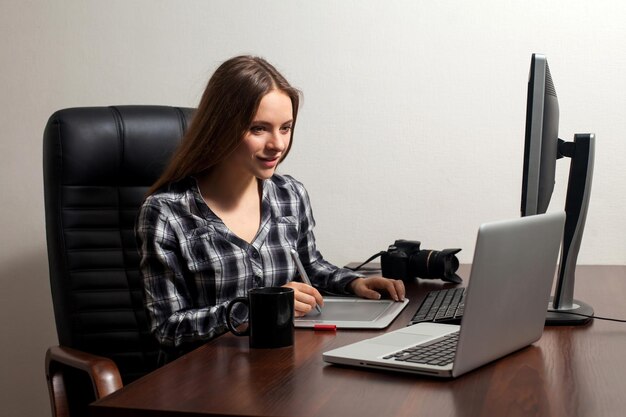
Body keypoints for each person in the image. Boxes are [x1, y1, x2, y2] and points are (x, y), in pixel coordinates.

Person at [136, 55, 405, 360]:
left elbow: (310, 267)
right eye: (259, 129)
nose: (278, 144)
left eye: (286, 128)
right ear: (220, 128)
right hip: (203, 380)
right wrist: (257, 308)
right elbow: (168, 328)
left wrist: (354, 282)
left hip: (280, 368)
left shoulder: (289, 194)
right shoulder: (166, 213)